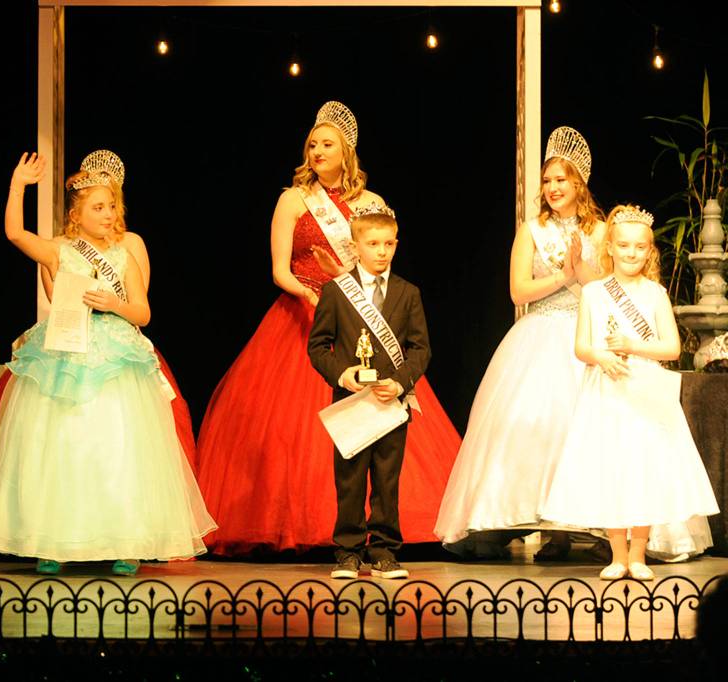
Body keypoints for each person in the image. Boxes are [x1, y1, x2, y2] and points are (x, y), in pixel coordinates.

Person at [195, 101, 461, 555]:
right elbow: (279, 269)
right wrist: (313, 295)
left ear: (346, 151)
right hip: (301, 314)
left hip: (361, 322)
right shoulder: (293, 200)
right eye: (312, 144)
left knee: (383, 427)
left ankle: (383, 535)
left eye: (327, 144)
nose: (317, 150)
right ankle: (313, 527)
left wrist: (341, 285)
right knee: (287, 430)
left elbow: (376, 270)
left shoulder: (371, 205)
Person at [0, 152, 216, 575]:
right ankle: (51, 538)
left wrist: (115, 303)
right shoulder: (59, 250)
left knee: (117, 445)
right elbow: (14, 233)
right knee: (61, 444)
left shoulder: (126, 251)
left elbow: (143, 312)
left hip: (115, 349)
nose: (108, 215)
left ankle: (126, 539)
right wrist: (18, 184)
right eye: (99, 208)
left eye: (112, 207)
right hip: (66, 348)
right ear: (77, 214)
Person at [433, 126, 609, 559]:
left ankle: (577, 528)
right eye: (547, 181)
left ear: (579, 182)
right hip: (538, 334)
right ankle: (537, 523)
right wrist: (563, 276)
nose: (552, 187)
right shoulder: (531, 229)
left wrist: (581, 273)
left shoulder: (601, 230)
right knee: (531, 427)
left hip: (583, 333)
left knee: (579, 430)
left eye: (561, 180)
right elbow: (518, 291)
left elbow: (604, 290)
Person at [541, 206, 719, 580]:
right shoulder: (593, 292)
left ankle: (638, 555)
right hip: (607, 390)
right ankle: (617, 555)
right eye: (624, 246)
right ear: (611, 248)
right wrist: (602, 356)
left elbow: (671, 348)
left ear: (649, 251)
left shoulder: (655, 293)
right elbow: (581, 347)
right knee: (613, 468)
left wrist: (631, 344)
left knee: (644, 470)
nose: (631, 253)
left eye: (639, 247)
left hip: (646, 392)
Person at [308, 207, 429, 579]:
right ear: (354, 246)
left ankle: (385, 551)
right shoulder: (335, 291)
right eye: (373, 244)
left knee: (387, 479)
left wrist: (400, 382)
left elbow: (420, 349)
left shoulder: (408, 293)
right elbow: (318, 346)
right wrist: (342, 375)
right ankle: (347, 551)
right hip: (351, 400)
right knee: (349, 478)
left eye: (388, 244)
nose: (381, 251)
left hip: (390, 401)